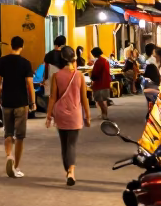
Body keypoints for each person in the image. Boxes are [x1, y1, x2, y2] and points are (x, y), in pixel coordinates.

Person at [46, 45, 91, 185]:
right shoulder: (79, 76)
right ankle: (71, 171)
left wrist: (49, 116)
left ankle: (67, 171)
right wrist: (87, 116)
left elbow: (53, 97)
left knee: (64, 144)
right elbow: (84, 98)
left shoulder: (56, 76)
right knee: (71, 144)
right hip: (75, 114)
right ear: (74, 59)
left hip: (60, 113)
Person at [0, 36, 36, 178]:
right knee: (20, 136)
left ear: (11, 45)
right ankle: (16, 166)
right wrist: (33, 102)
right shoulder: (26, 63)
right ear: (22, 46)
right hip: (21, 103)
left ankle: (8, 156)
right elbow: (30, 85)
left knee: (8, 133)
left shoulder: (2, 61)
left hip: (6, 102)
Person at [89, 47, 112, 119]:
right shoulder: (105, 60)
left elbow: (95, 73)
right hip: (106, 83)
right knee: (104, 100)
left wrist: (92, 78)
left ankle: (104, 114)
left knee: (99, 100)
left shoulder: (99, 62)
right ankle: (104, 114)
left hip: (100, 84)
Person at [43, 34, 66, 99]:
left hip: (51, 81)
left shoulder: (48, 54)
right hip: (63, 82)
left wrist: (44, 79)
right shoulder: (64, 55)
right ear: (63, 44)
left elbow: (46, 69)